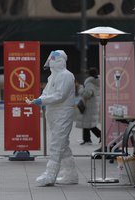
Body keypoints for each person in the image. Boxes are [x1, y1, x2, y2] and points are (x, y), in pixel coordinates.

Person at [27, 50, 78, 186]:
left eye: (52, 61)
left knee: (56, 144)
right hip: (53, 113)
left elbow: (60, 95)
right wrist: (38, 99)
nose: (50, 64)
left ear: (59, 61)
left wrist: (42, 101)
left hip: (63, 113)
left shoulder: (66, 76)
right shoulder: (52, 77)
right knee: (63, 144)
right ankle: (70, 174)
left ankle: (50, 174)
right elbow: (47, 93)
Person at [76, 67, 101, 145]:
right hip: (93, 105)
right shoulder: (97, 82)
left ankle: (99, 136)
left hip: (89, 106)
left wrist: (80, 89)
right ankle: (87, 139)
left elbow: (87, 94)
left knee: (89, 124)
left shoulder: (90, 83)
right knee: (88, 123)